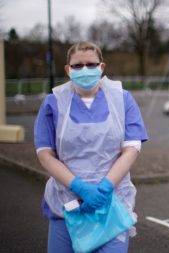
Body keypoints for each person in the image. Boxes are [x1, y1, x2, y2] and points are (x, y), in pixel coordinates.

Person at [34, 41, 148, 252]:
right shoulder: (53, 103)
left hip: (112, 203)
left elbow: (131, 149)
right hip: (67, 205)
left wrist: (105, 188)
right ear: (68, 70)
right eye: (77, 66)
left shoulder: (122, 100)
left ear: (101, 67)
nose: (84, 69)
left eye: (91, 64)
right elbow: (45, 154)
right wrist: (79, 187)